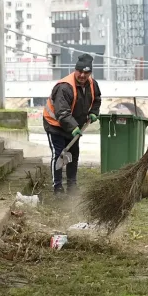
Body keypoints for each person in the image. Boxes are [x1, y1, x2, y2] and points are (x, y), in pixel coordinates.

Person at [42, 54, 101, 194]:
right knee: (58, 155)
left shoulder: (92, 84)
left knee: (73, 155)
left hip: (74, 125)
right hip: (55, 125)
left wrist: (93, 112)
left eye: (86, 72)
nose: (82, 75)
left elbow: (97, 99)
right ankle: (57, 187)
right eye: (79, 71)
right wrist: (73, 127)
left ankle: (72, 186)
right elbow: (62, 113)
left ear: (90, 73)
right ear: (75, 70)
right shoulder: (65, 87)